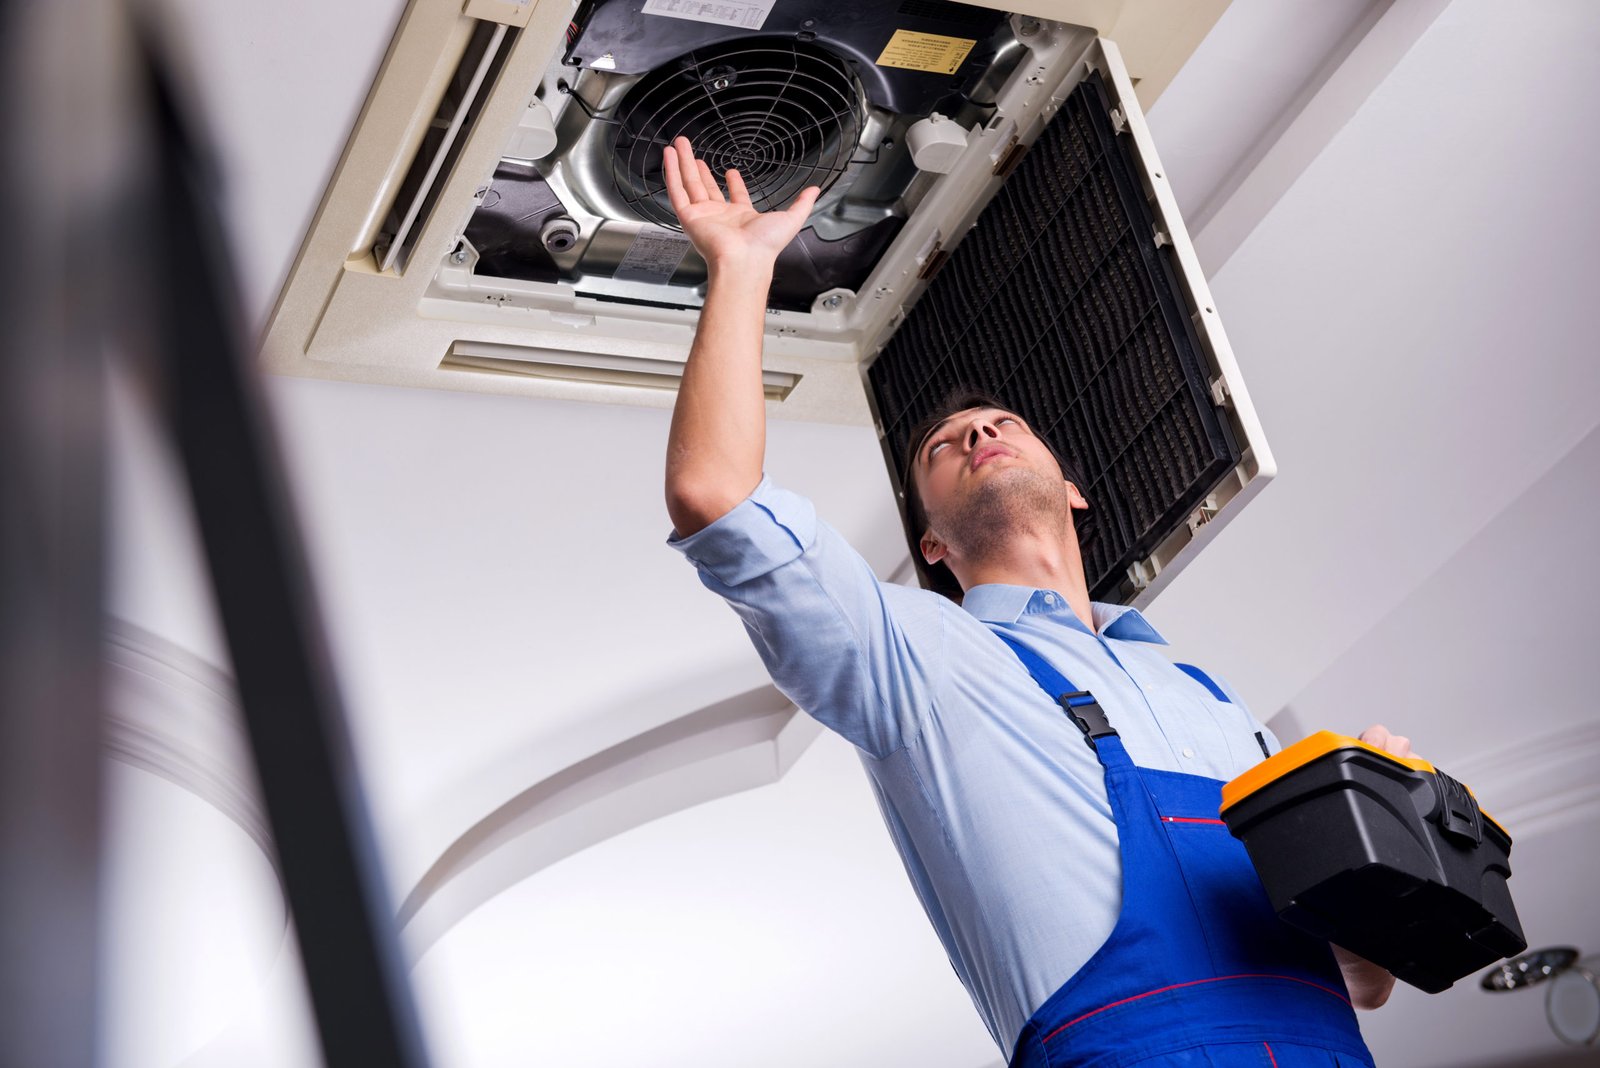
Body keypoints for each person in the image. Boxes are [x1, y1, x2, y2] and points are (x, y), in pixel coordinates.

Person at [661, 135, 1406, 1066]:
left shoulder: (1214, 700)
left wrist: (1376, 820)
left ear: (1076, 490)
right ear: (931, 544)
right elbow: (716, 498)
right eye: (944, 446)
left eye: (1003, 423)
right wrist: (740, 265)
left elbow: (1362, 980)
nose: (978, 430)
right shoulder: (914, 656)